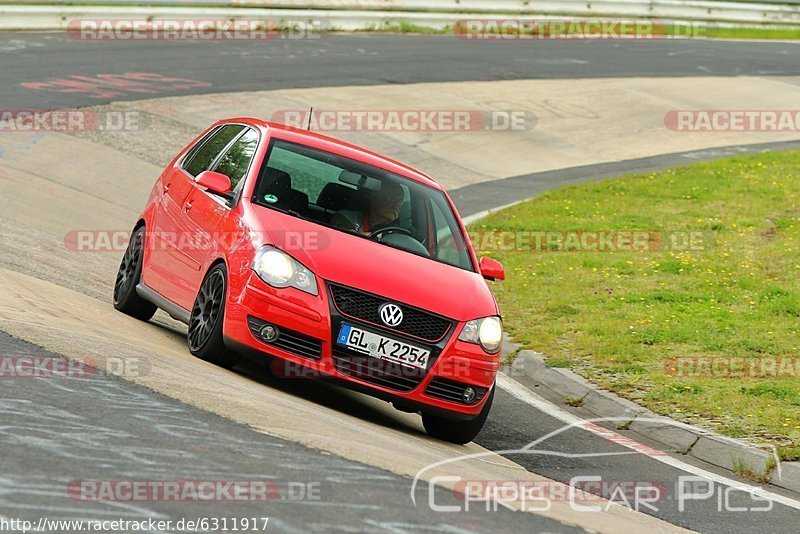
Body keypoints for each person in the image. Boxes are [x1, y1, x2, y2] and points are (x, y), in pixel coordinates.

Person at [332, 181, 404, 235]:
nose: (395, 205)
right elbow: (350, 239)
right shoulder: (347, 217)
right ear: (373, 198)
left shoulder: (399, 234)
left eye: (399, 201)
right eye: (390, 199)